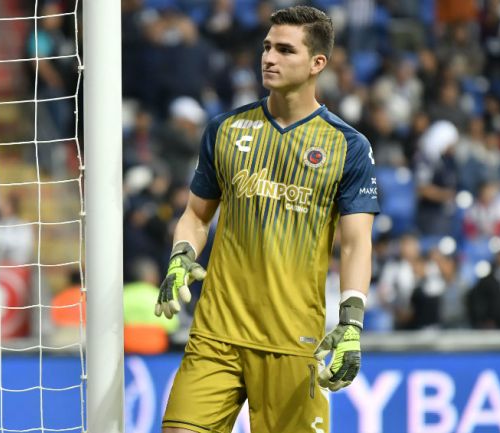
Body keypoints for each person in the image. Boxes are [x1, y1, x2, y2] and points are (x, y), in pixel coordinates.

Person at [154, 6, 379, 433]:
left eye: (284, 49)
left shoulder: (347, 146)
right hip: (215, 335)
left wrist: (351, 324)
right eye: (267, 47)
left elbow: (355, 243)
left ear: (317, 63)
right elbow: (195, 216)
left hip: (292, 341)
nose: (268, 58)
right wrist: (182, 255)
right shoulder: (225, 129)